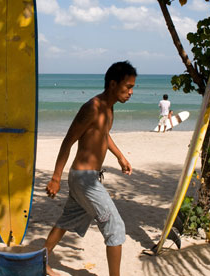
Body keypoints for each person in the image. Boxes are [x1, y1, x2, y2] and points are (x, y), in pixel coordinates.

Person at [44, 61, 136, 276]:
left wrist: (120, 156)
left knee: (67, 220)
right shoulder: (91, 108)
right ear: (113, 84)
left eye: (133, 87)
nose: (131, 92)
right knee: (115, 226)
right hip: (83, 180)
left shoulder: (108, 107)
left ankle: (40, 261)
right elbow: (68, 141)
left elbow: (103, 134)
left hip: (89, 177)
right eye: (127, 87)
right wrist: (56, 178)